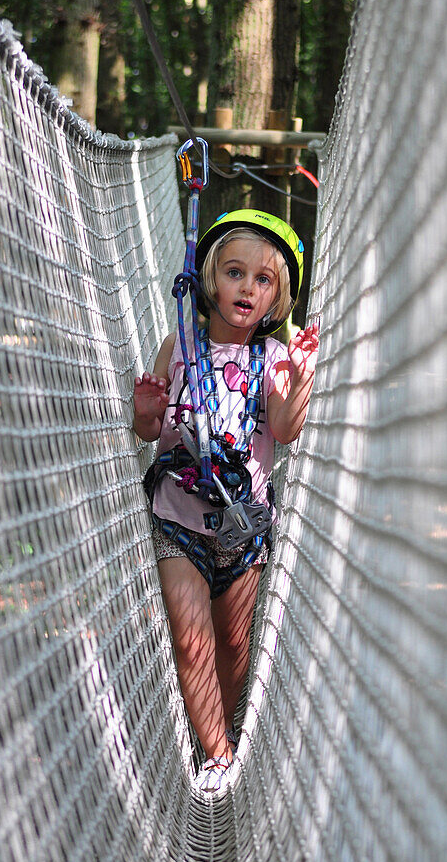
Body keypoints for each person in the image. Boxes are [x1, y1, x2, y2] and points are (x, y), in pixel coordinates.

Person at [133, 210, 319, 793]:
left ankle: (219, 730)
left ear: (277, 298)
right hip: (177, 519)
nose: (248, 288)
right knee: (192, 639)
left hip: (243, 527)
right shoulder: (179, 345)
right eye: (236, 272)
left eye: (264, 280)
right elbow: (149, 429)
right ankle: (217, 755)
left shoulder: (272, 359)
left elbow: (285, 429)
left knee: (234, 643)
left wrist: (304, 377)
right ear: (210, 278)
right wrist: (146, 407)